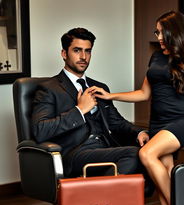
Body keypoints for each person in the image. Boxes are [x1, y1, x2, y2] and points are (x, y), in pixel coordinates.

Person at [91, 11, 184, 205]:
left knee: (147, 154)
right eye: (156, 32)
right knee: (164, 169)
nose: (158, 36)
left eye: (161, 31)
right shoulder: (156, 57)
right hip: (158, 122)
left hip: (183, 120)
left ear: (174, 31)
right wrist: (111, 96)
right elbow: (144, 93)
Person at [31, 27, 150, 183]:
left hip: (105, 148)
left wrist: (139, 132)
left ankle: (96, 199)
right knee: (133, 155)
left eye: (88, 51)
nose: (83, 57)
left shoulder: (99, 87)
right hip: (75, 153)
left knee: (150, 150)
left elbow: (117, 123)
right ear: (64, 54)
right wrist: (80, 110)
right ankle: (99, 198)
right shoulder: (49, 88)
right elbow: (41, 130)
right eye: (77, 50)